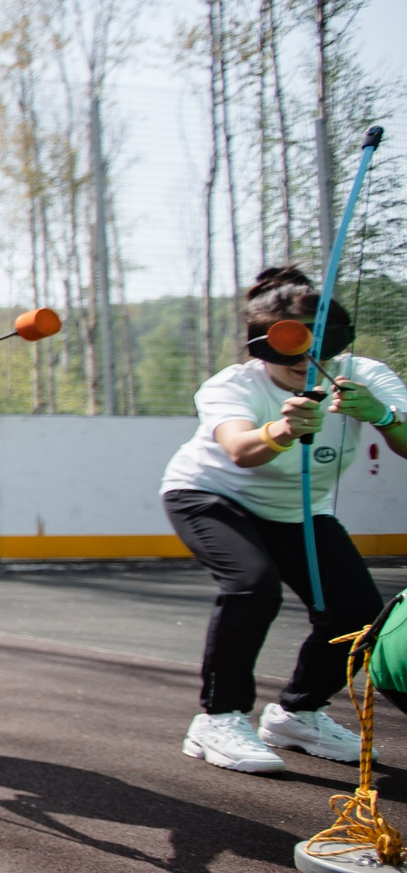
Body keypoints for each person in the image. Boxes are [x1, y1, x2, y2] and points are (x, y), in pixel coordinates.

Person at [159, 266, 405, 775]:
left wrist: (381, 416)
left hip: (299, 510)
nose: (308, 364)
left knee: (357, 615)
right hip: (209, 495)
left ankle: (297, 713)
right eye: (290, 354)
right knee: (253, 584)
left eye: (320, 351)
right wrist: (283, 427)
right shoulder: (232, 385)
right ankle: (218, 718)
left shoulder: (366, 375)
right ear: (263, 346)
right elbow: (241, 450)